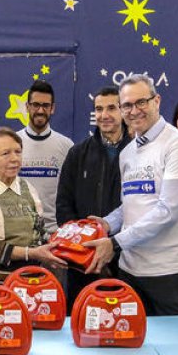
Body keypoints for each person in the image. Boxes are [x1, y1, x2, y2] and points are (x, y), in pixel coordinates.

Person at [83, 74, 178, 316]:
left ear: (157, 100)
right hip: (131, 270)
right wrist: (107, 223)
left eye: (141, 102)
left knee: (176, 351)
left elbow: (168, 211)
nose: (134, 111)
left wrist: (114, 243)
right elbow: (130, 204)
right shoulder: (127, 153)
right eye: (127, 105)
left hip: (169, 274)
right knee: (132, 348)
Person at [56, 85, 131, 302]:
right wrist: (83, 251)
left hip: (125, 260)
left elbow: (140, 206)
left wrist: (113, 249)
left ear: (123, 111)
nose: (104, 115)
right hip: (82, 263)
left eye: (111, 108)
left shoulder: (138, 153)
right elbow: (64, 205)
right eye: (99, 109)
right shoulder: (78, 153)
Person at [0, 127, 64, 285]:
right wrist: (30, 253)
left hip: (28, 280)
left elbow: (40, 232)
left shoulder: (27, 188)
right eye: (5, 153)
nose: (14, 159)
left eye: (18, 152)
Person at [18, 80, 73, 234]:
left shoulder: (67, 146)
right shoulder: (12, 143)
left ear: (52, 108)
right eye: (35, 105)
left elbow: (71, 194)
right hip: (20, 234)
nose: (40, 110)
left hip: (55, 233)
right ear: (27, 107)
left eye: (45, 105)